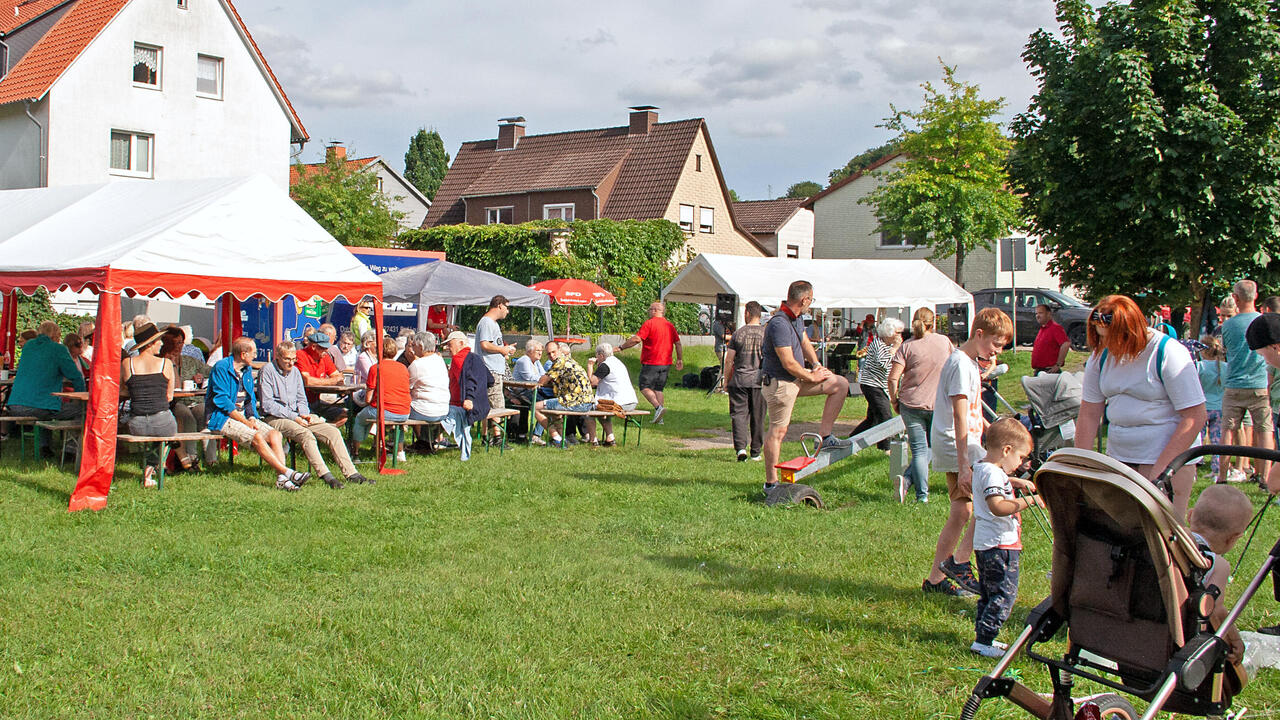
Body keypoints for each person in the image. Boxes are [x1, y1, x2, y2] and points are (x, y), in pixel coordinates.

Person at [1074, 295, 1206, 519]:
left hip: (1164, 457)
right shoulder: (1101, 356)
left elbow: (1194, 416)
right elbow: (1089, 412)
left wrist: (1160, 473)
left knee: (1161, 534)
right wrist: (1079, 466)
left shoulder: (1167, 352)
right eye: (1101, 338)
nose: (1106, 346)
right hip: (1122, 456)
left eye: (1111, 339)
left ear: (1130, 331)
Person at [924, 307, 1013, 597]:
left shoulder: (969, 363)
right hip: (957, 444)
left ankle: (937, 578)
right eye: (995, 344)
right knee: (989, 504)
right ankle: (959, 562)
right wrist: (964, 464)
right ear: (979, 334)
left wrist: (993, 429)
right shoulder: (961, 365)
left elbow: (974, 411)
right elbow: (960, 415)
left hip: (965, 442)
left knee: (964, 511)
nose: (996, 351)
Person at [761, 281, 850, 490]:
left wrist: (818, 366)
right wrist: (812, 377)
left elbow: (804, 341)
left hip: (797, 380)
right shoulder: (779, 324)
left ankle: (826, 437)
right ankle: (771, 483)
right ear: (804, 300)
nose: (811, 303)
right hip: (780, 383)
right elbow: (788, 363)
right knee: (778, 431)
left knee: (840, 384)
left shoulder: (797, 318)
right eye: (811, 299)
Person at [969, 418, 1042, 658]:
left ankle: (983, 637)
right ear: (1007, 450)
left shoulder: (983, 466)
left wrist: (1015, 481)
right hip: (1000, 544)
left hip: (986, 543)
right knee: (1004, 594)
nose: (1020, 464)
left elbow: (994, 479)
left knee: (989, 593)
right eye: (1020, 458)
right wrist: (1029, 501)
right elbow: (997, 506)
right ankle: (985, 641)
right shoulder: (993, 474)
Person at [258, 341, 367, 489]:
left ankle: (351, 474)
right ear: (277, 357)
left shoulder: (295, 372)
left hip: (298, 414)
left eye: (293, 359)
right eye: (287, 359)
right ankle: (326, 475)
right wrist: (294, 416)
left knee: (333, 432)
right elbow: (268, 405)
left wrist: (304, 414)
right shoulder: (267, 371)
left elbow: (302, 398)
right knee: (305, 434)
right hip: (275, 417)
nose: (291, 363)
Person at [205, 337, 308, 491]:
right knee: (257, 436)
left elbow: (250, 399)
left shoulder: (246, 370)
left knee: (275, 435)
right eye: (253, 352)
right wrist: (246, 422)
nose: (255, 355)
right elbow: (222, 401)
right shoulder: (221, 368)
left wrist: (252, 417)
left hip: (244, 416)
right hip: (222, 417)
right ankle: (287, 472)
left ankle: (281, 479)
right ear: (243, 354)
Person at [888, 307, 953, 504]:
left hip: (910, 404)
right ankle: (909, 482)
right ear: (933, 323)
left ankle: (920, 494)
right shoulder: (944, 342)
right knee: (932, 448)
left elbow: (892, 379)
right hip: (938, 404)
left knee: (919, 450)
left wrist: (894, 400)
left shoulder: (906, 346)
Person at [1187, 484, 1257, 653]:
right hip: (1185, 636)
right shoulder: (1218, 565)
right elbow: (1215, 611)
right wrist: (1234, 639)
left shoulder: (1167, 544)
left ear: (1190, 516)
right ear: (1234, 538)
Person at [1219, 279, 1273, 485]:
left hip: (1234, 384)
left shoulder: (1229, 325)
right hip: (1260, 383)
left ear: (1236, 298)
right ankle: (1264, 477)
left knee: (1228, 431)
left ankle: (1222, 477)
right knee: (1264, 430)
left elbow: (1227, 352)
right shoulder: (1263, 321)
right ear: (1256, 296)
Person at [7, 321, 86, 460]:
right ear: (56, 335)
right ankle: (70, 451)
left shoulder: (29, 346)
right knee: (81, 410)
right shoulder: (58, 349)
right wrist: (81, 398)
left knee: (47, 407)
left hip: (15, 404)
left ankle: (45, 447)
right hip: (39, 405)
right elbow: (75, 376)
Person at [119, 323, 179, 487]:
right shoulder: (165, 364)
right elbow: (169, 396)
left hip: (136, 423)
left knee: (156, 435)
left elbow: (124, 390)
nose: (161, 343)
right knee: (167, 433)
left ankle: (150, 471)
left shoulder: (127, 363)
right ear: (150, 343)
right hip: (162, 421)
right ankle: (151, 470)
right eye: (159, 340)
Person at [619, 301, 683, 424]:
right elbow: (678, 343)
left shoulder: (649, 324)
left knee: (644, 387)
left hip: (651, 361)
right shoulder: (669, 325)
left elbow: (637, 339)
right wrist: (679, 359)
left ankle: (658, 408)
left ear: (654, 310)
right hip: (666, 363)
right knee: (658, 389)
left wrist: (621, 347)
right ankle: (660, 418)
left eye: (650, 309)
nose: (649, 311)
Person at [848, 318, 904, 452]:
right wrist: (895, 348)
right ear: (890, 333)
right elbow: (884, 364)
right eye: (898, 333)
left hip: (879, 385)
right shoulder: (878, 344)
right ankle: (886, 448)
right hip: (872, 385)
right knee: (885, 416)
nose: (900, 336)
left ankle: (851, 441)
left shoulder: (888, 346)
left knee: (872, 419)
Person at [353, 336, 412, 462]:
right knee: (398, 425)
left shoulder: (376, 368)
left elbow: (368, 399)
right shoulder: (403, 368)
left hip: (383, 411)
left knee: (359, 418)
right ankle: (400, 452)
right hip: (404, 412)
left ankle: (356, 453)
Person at [159, 327, 207, 470]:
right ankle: (192, 458)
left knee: (205, 414)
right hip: (173, 402)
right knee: (187, 418)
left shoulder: (189, 361)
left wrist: (201, 378)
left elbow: (210, 370)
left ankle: (211, 459)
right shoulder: (161, 361)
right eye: (173, 343)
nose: (177, 347)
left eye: (180, 343)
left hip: (193, 399)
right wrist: (172, 364)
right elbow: (175, 386)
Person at [724, 301, 766, 462]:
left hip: (740, 379)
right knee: (758, 417)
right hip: (760, 381)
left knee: (739, 415)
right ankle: (756, 451)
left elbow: (729, 360)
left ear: (747, 313)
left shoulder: (738, 334)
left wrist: (726, 379)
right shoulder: (766, 334)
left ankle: (741, 448)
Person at [534, 341, 596, 447]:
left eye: (553, 352)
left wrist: (543, 381)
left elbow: (542, 380)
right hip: (587, 401)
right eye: (549, 354)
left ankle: (557, 439)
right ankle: (561, 439)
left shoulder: (560, 362)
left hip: (577, 402)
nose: (552, 355)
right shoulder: (568, 360)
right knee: (555, 412)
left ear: (559, 350)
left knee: (535, 407)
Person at [444, 330, 492, 461]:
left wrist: (470, 398)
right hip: (481, 406)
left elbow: (469, 381)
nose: (447, 348)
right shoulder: (476, 357)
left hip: (464, 405)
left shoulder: (459, 358)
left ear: (460, 343)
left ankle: (433, 442)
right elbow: (490, 379)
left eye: (449, 345)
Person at [475, 295, 516, 445]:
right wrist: (502, 349)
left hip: (494, 368)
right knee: (498, 405)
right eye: (507, 307)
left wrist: (504, 350)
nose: (508, 311)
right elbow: (484, 345)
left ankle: (486, 437)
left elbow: (493, 346)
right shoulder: (487, 322)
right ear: (499, 305)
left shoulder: (493, 324)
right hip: (490, 369)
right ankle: (498, 438)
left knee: (489, 405)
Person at [407, 333, 453, 451]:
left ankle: (418, 442)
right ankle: (426, 441)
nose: (412, 349)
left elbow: (406, 387)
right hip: (443, 409)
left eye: (414, 346)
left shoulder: (416, 365)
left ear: (421, 347)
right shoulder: (439, 360)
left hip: (425, 411)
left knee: (401, 408)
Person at [586, 342, 636, 447]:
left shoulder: (606, 365)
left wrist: (590, 366)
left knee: (589, 410)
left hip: (620, 403)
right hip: (631, 401)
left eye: (597, 355)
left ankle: (593, 440)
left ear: (601, 355)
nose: (596, 358)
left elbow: (592, 383)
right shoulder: (618, 362)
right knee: (600, 407)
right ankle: (610, 438)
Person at [294, 331, 348, 426]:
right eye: (323, 348)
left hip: (317, 402)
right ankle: (323, 431)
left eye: (327, 347)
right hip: (301, 404)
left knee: (344, 415)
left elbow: (338, 376)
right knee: (314, 420)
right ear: (314, 346)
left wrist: (332, 380)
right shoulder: (301, 355)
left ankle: (326, 434)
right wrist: (332, 381)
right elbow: (308, 381)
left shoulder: (324, 357)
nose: (326, 350)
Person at [1196, 335, 1227, 477]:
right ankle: (1217, 467)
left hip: (1203, 407)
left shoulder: (1199, 366)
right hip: (1219, 407)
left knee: (1198, 438)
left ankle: (1196, 462)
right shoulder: (1225, 367)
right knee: (1217, 439)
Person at [1030, 303, 1070, 374]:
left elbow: (1066, 344)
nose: (1037, 316)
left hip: (1049, 371)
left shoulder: (1055, 328)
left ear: (1048, 314)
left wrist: (1058, 365)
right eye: (1036, 313)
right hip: (1040, 371)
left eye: (1041, 313)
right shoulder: (1043, 329)